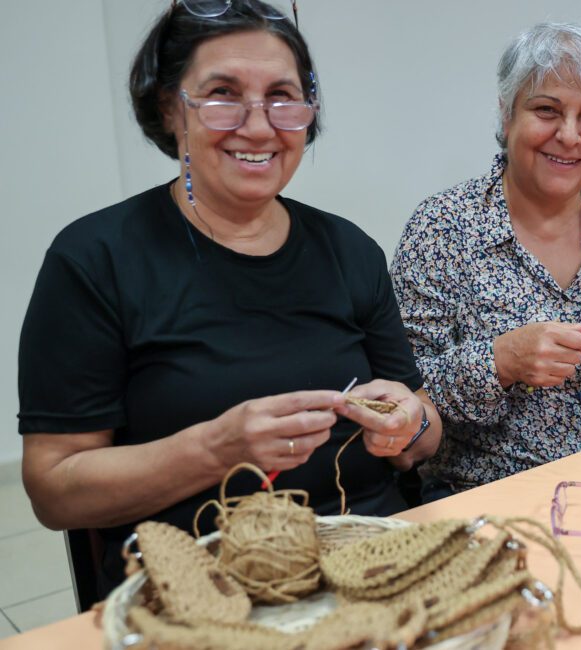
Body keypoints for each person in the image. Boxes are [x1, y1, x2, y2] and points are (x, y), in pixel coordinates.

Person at [17, 0, 440, 596]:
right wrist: (217, 447)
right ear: (170, 109)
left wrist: (408, 424)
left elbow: (424, 431)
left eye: (282, 97)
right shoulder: (95, 260)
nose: (259, 125)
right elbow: (55, 489)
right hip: (203, 586)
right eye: (222, 93)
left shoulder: (349, 250)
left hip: (370, 561)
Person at [390, 22, 581, 497]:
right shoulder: (442, 227)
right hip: (495, 494)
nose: (569, 135)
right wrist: (499, 361)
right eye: (546, 110)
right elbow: (407, 396)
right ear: (506, 113)